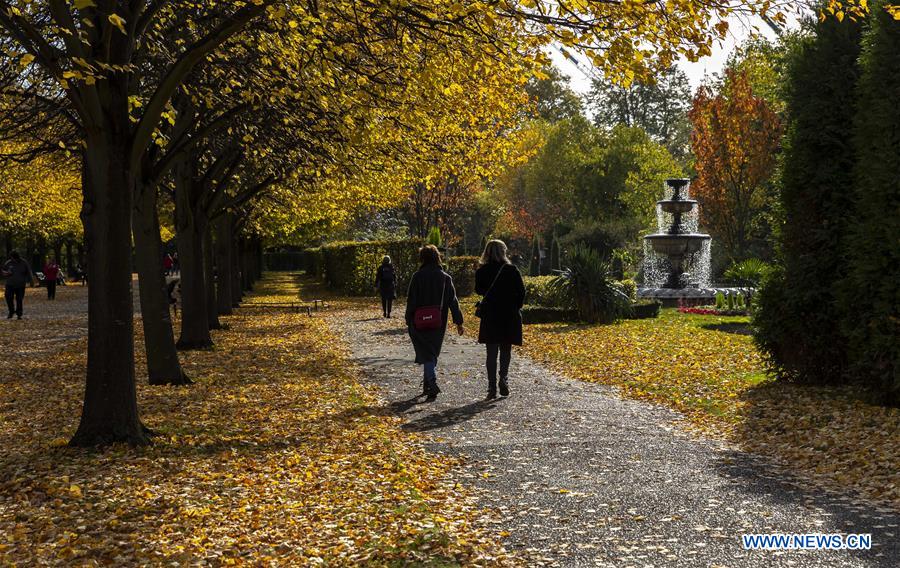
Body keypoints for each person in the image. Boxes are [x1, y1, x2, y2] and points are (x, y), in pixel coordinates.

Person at [405, 245, 464, 401]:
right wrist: (458, 321)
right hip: (438, 321)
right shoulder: (445, 278)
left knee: (427, 352)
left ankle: (431, 382)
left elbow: (411, 299)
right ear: (437, 257)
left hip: (419, 320)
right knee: (431, 352)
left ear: (422, 258)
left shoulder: (417, 277)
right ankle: (428, 384)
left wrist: (408, 319)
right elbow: (453, 301)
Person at [475, 240, 526, 399]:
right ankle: (503, 378)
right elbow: (522, 291)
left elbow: (479, 290)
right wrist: (516, 306)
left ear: (487, 252)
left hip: (491, 315)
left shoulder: (482, 270)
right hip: (509, 314)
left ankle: (491, 387)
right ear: (503, 252)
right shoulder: (512, 270)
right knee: (506, 349)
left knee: (491, 352)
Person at [2, 251, 37, 320]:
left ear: (16, 257)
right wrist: (6, 273)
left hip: (20, 285)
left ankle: (19, 313)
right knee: (8, 297)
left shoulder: (24, 263)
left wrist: (31, 281)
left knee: (19, 299)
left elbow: (29, 272)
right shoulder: (8, 263)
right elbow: (3, 271)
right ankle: (11, 311)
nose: (11, 259)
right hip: (10, 284)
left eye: (12, 258)